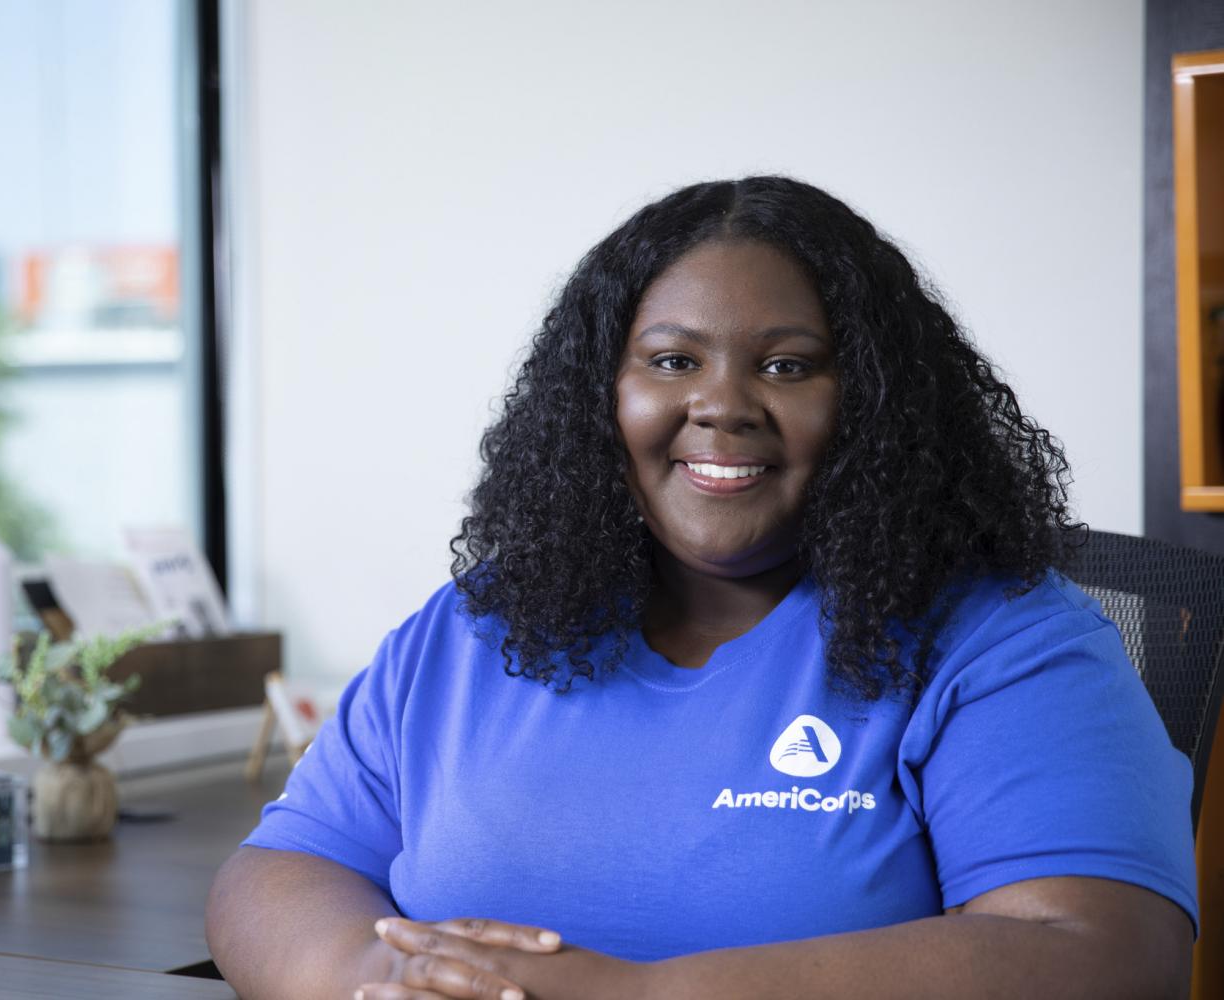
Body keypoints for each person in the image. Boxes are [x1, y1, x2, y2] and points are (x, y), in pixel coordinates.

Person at [206, 176, 1198, 1000]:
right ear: (603, 395)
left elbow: (1098, 952)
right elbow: (283, 868)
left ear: (874, 406)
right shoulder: (477, 626)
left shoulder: (1002, 641)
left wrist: (639, 996)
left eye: (787, 364)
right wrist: (382, 975)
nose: (721, 404)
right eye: (673, 359)